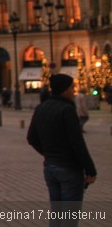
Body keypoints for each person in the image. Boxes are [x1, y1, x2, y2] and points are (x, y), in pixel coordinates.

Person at [27, 74, 97, 206]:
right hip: (69, 168)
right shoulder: (67, 110)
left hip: (50, 167)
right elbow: (77, 143)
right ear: (64, 90)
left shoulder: (41, 108)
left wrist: (49, 154)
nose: (74, 91)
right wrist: (90, 170)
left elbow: (31, 138)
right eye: (72, 88)